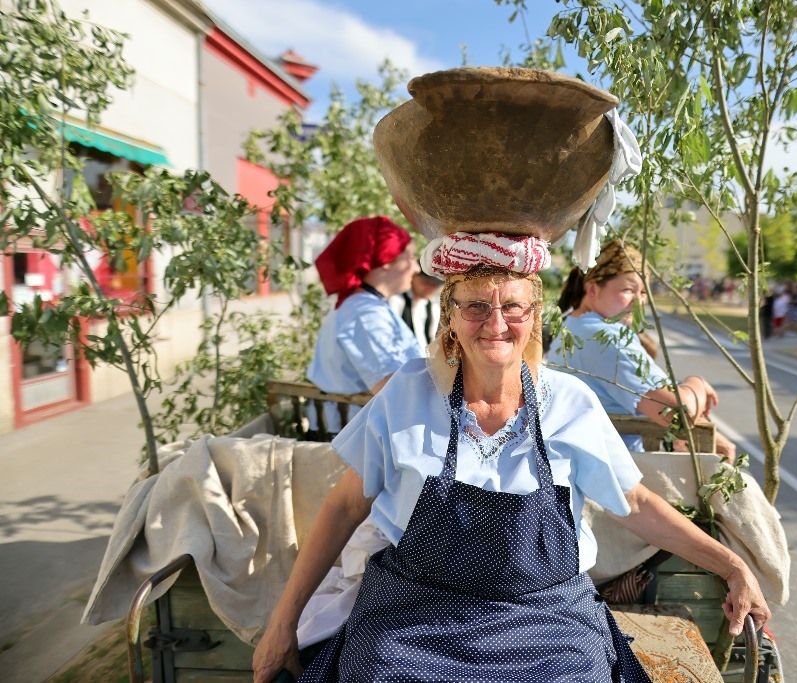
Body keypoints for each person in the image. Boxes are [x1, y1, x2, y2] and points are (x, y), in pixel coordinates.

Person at [253, 66, 769, 683]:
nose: (494, 322)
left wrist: (732, 566)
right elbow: (341, 510)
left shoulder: (568, 402)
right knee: (378, 669)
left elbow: (634, 502)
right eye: (476, 306)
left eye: (512, 307)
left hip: (546, 619)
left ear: (533, 318)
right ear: (451, 317)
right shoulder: (409, 395)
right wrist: (285, 620)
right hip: (415, 618)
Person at [553, 239, 736, 462]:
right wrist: (697, 382)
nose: (639, 302)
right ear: (592, 290)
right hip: (622, 468)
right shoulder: (607, 337)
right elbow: (679, 413)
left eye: (642, 292)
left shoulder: (571, 325)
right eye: (628, 290)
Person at [306, 216, 424, 433]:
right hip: (356, 441)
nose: (415, 268)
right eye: (410, 257)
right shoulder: (364, 312)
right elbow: (392, 388)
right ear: (387, 260)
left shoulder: (367, 306)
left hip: (359, 433)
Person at [389, 271, 443, 350]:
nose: (429, 288)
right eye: (425, 282)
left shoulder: (433, 307)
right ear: (414, 277)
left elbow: (434, 340)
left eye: (434, 285)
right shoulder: (396, 300)